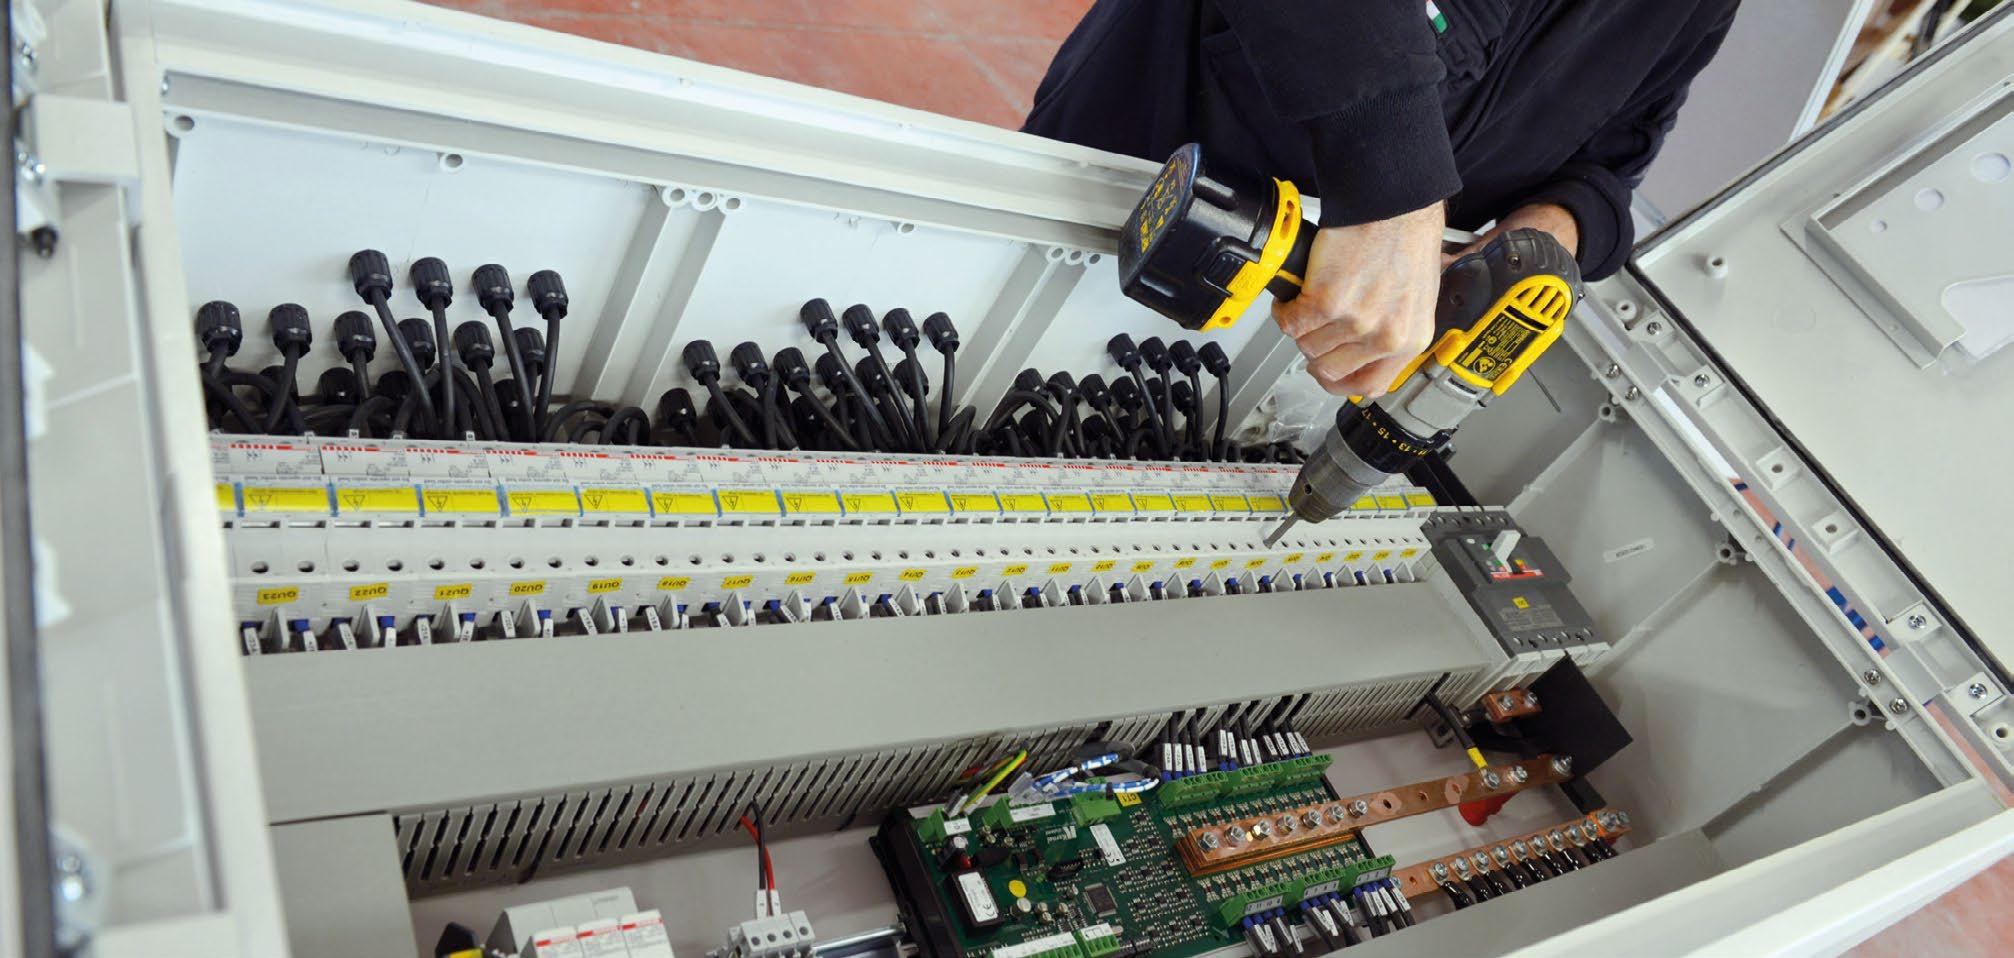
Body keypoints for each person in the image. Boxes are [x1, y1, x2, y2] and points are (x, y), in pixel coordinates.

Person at [1025, 0, 1740, 398]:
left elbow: (1618, 151)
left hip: (1313, 334)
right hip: (1121, 202)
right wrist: (1397, 192)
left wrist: (1554, 230)